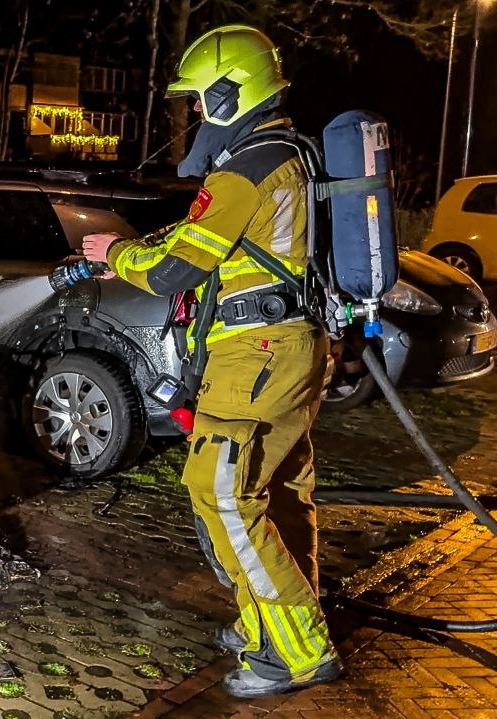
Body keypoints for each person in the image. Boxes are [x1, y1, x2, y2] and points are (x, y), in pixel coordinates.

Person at [80, 24, 342, 697]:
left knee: (222, 492)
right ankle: (267, 629)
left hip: (256, 355)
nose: (193, 113)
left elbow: (172, 269)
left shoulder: (245, 168)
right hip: (290, 349)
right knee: (274, 493)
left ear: (231, 93)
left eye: (198, 99)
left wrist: (114, 253)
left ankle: (297, 651)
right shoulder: (289, 152)